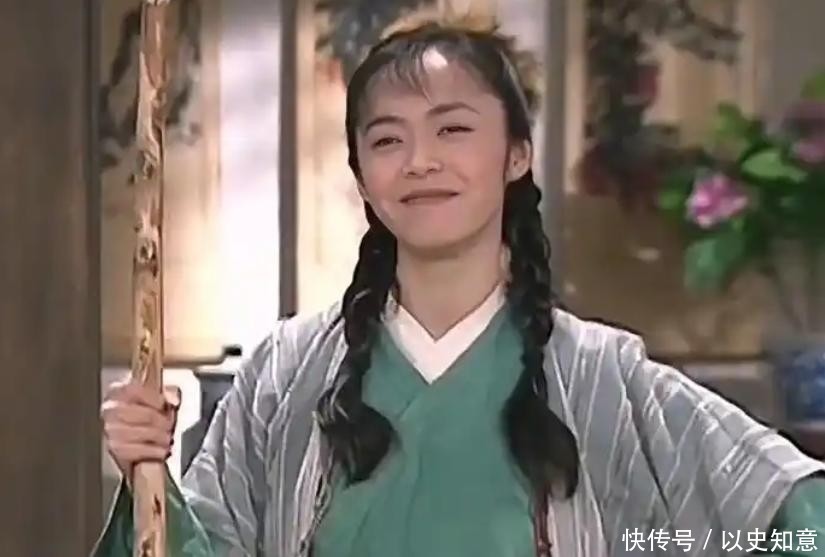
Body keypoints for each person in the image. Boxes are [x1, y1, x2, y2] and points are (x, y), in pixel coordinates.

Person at [94, 16, 825, 557]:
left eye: (452, 130)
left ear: (516, 155)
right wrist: (146, 473)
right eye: (387, 139)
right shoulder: (283, 376)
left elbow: (788, 520)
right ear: (361, 176)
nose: (420, 161)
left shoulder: (602, 378)